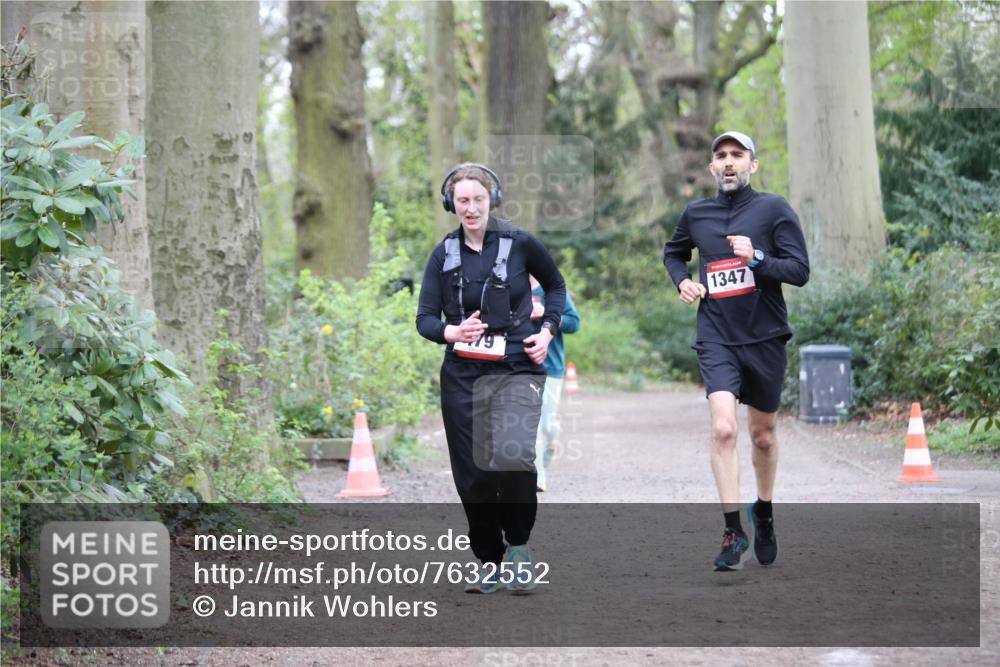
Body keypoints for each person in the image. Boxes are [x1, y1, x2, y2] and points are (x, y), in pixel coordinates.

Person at [662, 131, 809, 571]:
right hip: (716, 335)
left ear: (752, 165)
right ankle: (732, 531)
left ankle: (762, 510)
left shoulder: (774, 209)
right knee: (724, 430)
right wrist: (683, 281)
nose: (729, 163)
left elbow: (800, 271)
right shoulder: (697, 213)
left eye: (737, 155)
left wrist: (759, 259)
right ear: (711, 168)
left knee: (762, 435)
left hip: (764, 337)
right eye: (721, 156)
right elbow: (674, 253)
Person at [417, 163, 566, 593]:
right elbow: (425, 318)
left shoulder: (520, 243)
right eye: (462, 200)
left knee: (515, 455)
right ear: (452, 204)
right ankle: (489, 560)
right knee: (475, 474)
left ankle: (518, 548)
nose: (470, 207)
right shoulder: (443, 255)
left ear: (491, 200)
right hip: (463, 374)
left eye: (477, 199)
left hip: (518, 365)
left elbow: (555, 287)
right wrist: (451, 331)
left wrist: (547, 330)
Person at [528, 275, 580, 492]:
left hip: (551, 367)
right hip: (521, 367)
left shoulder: (553, 290)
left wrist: (547, 315)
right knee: (533, 425)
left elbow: (574, 323)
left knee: (548, 426)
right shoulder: (512, 287)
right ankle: (538, 476)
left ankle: (551, 444)